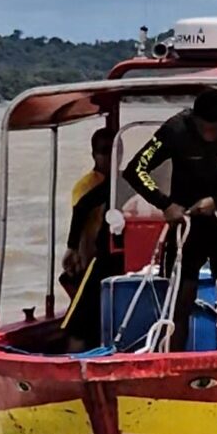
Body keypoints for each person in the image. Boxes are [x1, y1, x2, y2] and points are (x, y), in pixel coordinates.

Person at [123, 88, 217, 350]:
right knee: (181, 296)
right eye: (205, 129)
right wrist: (165, 204)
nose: (210, 135)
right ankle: (174, 356)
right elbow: (136, 170)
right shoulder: (175, 129)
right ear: (194, 120)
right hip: (188, 225)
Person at [60, 127, 122, 352]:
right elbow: (82, 211)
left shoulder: (126, 179)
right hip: (94, 258)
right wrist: (73, 249)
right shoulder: (87, 186)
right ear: (94, 154)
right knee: (78, 324)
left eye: (115, 151)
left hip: (124, 258)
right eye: (104, 151)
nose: (110, 157)